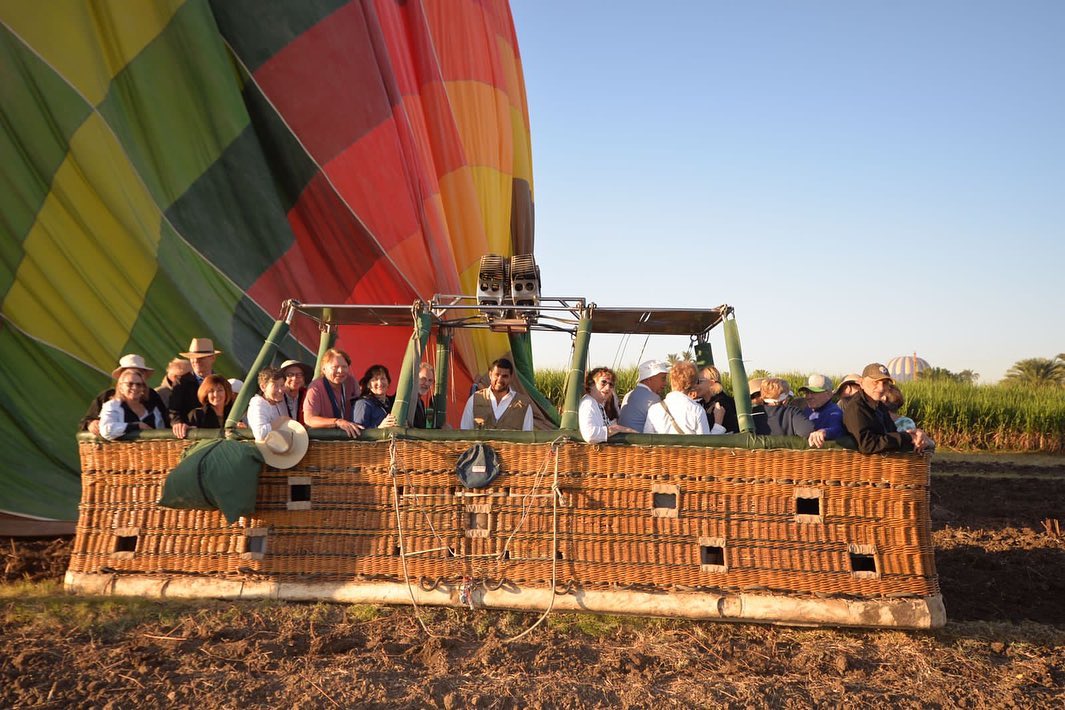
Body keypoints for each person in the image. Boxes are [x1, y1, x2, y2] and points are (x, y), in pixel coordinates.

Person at [842, 363, 932, 454]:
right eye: (875, 382)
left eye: (885, 383)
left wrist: (915, 436)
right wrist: (907, 437)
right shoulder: (856, 408)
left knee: (927, 442)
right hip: (864, 466)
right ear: (861, 383)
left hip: (883, 465)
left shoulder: (880, 406)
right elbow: (867, 445)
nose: (881, 388)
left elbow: (892, 432)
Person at [81, 354, 167, 435]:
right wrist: (90, 423)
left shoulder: (152, 396)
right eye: (129, 383)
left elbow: (166, 420)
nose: (134, 387)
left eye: (139, 373)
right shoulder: (107, 397)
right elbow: (89, 420)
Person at [644, 362, 725, 435]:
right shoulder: (696, 410)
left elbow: (647, 441)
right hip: (687, 452)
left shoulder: (654, 409)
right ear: (693, 384)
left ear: (671, 380)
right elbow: (706, 445)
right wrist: (718, 425)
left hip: (660, 452)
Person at [169, 338, 224, 438]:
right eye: (192, 357)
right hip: (191, 438)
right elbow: (173, 410)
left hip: (217, 437)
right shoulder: (181, 382)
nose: (195, 361)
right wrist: (178, 424)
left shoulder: (221, 381)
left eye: (200, 358)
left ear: (212, 358)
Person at [460, 358, 534, 431]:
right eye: (497, 375)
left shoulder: (524, 405)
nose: (500, 380)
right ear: (490, 375)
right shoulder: (475, 399)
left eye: (504, 376)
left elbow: (528, 438)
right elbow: (465, 431)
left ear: (511, 378)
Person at [303, 348, 362, 438]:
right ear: (324, 369)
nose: (340, 371)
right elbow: (309, 419)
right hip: (324, 440)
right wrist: (337, 422)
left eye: (344, 367)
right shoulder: (315, 387)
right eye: (335, 367)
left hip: (350, 437)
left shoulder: (351, 382)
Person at [98, 368, 169, 440]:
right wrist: (136, 426)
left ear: (143, 388)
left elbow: (162, 431)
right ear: (121, 387)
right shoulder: (112, 406)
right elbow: (106, 430)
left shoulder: (152, 408)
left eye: (139, 385)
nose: (135, 388)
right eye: (130, 384)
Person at [579, 367, 637, 443]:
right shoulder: (588, 404)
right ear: (591, 384)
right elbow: (590, 435)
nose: (607, 387)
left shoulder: (598, 404)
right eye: (603, 382)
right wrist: (618, 429)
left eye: (611, 385)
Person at [618, 359, 670, 432]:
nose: (665, 383)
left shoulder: (628, 395)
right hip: (640, 441)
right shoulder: (653, 399)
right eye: (663, 379)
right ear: (649, 379)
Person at [799, 374, 845, 448]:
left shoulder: (834, 412)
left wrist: (823, 432)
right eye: (807, 392)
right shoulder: (807, 409)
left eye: (814, 392)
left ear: (829, 394)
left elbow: (837, 429)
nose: (809, 397)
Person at [247, 367, 289, 441]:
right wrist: (282, 421)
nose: (280, 390)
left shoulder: (280, 401)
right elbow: (260, 434)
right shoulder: (258, 404)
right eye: (275, 386)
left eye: (282, 385)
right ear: (263, 387)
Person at [697, 365, 738, 433]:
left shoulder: (723, 404)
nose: (695, 385)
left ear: (712, 383)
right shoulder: (702, 404)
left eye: (699, 381)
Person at [352, 365, 395, 429]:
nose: (380, 383)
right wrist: (379, 428)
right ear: (368, 385)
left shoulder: (392, 402)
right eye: (375, 379)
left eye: (383, 378)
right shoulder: (363, 404)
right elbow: (358, 432)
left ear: (388, 382)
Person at [279, 359, 312, 423]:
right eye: (290, 375)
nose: (295, 378)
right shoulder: (276, 397)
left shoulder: (309, 396)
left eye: (299, 375)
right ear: (282, 378)